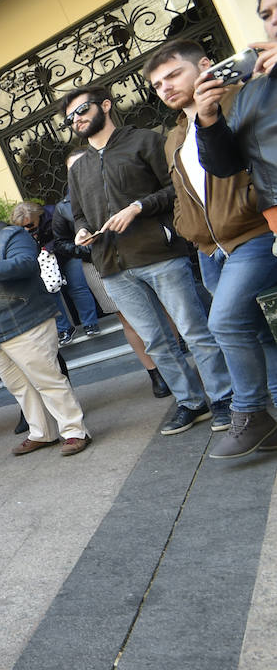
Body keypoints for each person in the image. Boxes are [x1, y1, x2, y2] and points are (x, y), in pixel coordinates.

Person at [64, 85, 233, 435]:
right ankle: (190, 401)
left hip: (157, 252)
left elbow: (176, 188)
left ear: (105, 106)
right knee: (155, 340)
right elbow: (78, 215)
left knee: (193, 330)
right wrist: (81, 232)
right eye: (70, 117)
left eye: (81, 110)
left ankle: (224, 397)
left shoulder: (144, 141)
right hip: (110, 265)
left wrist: (139, 206)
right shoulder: (78, 168)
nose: (76, 120)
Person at [148, 38, 277, 458]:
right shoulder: (172, 138)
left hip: (252, 233)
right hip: (211, 250)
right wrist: (192, 233)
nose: (165, 87)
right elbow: (185, 196)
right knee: (259, 333)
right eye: (157, 84)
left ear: (205, 65)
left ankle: (249, 412)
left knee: (223, 323)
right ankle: (271, 427)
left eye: (173, 75)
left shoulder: (242, 100)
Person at [0, 198, 93, 456]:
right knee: (19, 387)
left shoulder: (13, 235)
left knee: (48, 381)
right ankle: (42, 433)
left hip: (27, 322)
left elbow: (25, 264)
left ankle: (75, 431)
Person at [53, 149, 172, 397]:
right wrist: (84, 247)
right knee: (127, 319)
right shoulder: (64, 207)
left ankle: (176, 357)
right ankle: (155, 373)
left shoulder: (113, 184)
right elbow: (61, 243)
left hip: (139, 253)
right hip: (98, 265)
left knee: (163, 306)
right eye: (72, 168)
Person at [194, 0, 277, 255]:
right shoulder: (251, 91)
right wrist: (208, 120)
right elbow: (225, 166)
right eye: (266, 15)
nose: (273, 20)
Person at [11, 200, 101, 345]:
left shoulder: (54, 213)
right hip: (45, 261)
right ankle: (64, 329)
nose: (27, 229)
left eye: (29, 225)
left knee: (78, 288)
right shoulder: (22, 229)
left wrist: (47, 247)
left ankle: (90, 323)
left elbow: (66, 234)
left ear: (38, 216)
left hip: (67, 254)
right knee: (51, 295)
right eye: (22, 227)